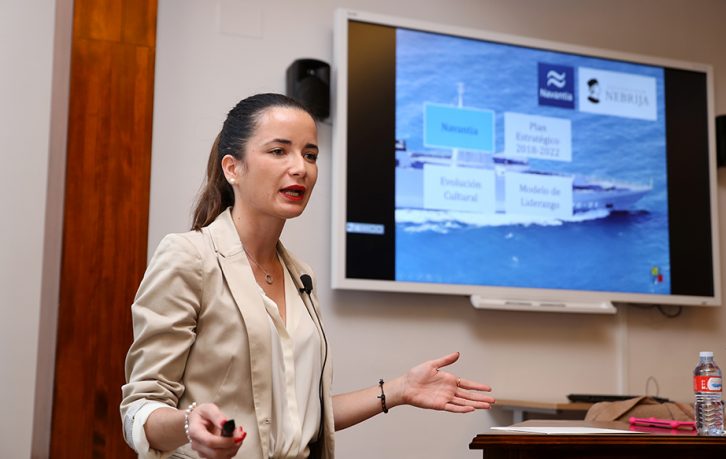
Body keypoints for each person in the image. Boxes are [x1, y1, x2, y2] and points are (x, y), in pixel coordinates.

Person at [120, 93, 495, 459]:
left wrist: (399, 389)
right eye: (279, 151)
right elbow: (140, 409)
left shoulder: (300, 276)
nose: (300, 167)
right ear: (232, 167)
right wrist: (189, 423)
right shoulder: (189, 256)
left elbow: (301, 419)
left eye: (310, 154)